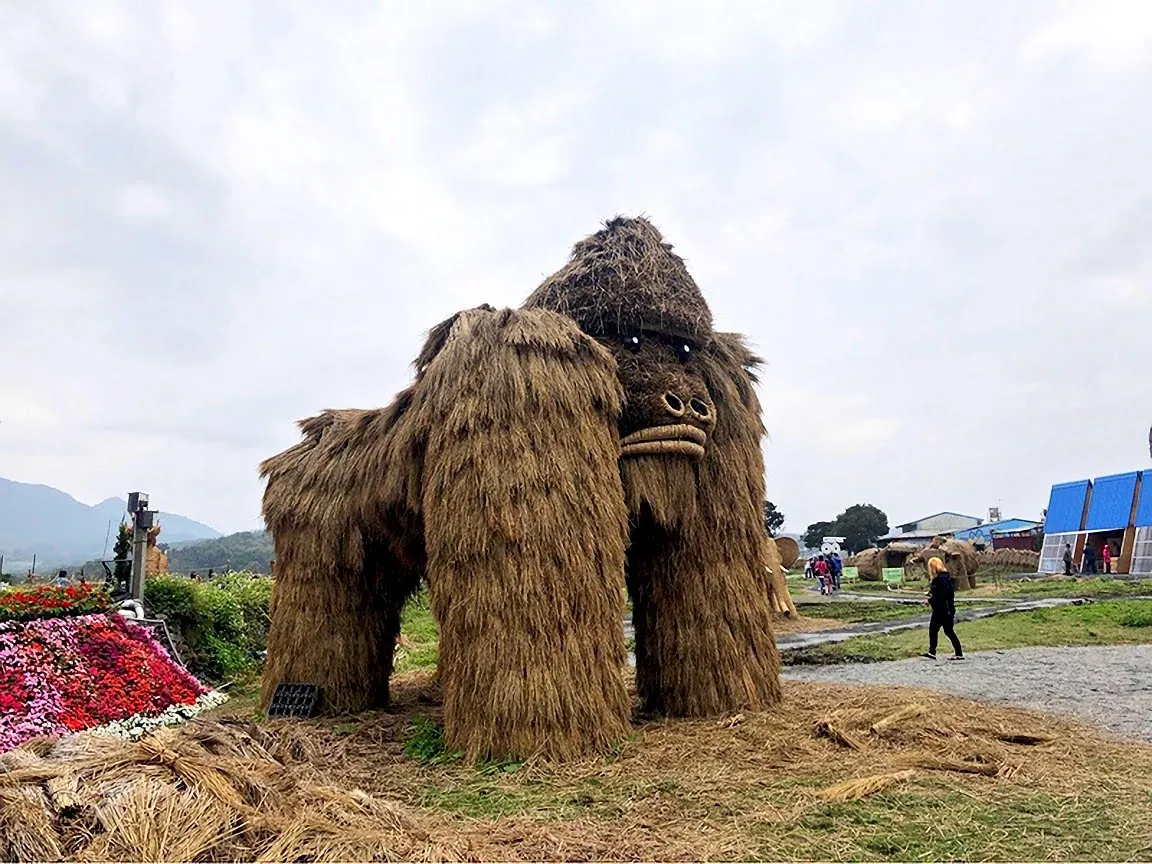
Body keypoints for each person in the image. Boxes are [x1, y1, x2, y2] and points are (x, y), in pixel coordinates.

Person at [923, 557, 963, 660]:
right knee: (933, 630)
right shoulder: (942, 578)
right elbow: (939, 592)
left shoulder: (941, 579)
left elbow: (942, 595)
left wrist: (930, 600)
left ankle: (959, 653)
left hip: (945, 610)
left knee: (948, 631)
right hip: (939, 610)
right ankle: (932, 652)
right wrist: (931, 593)